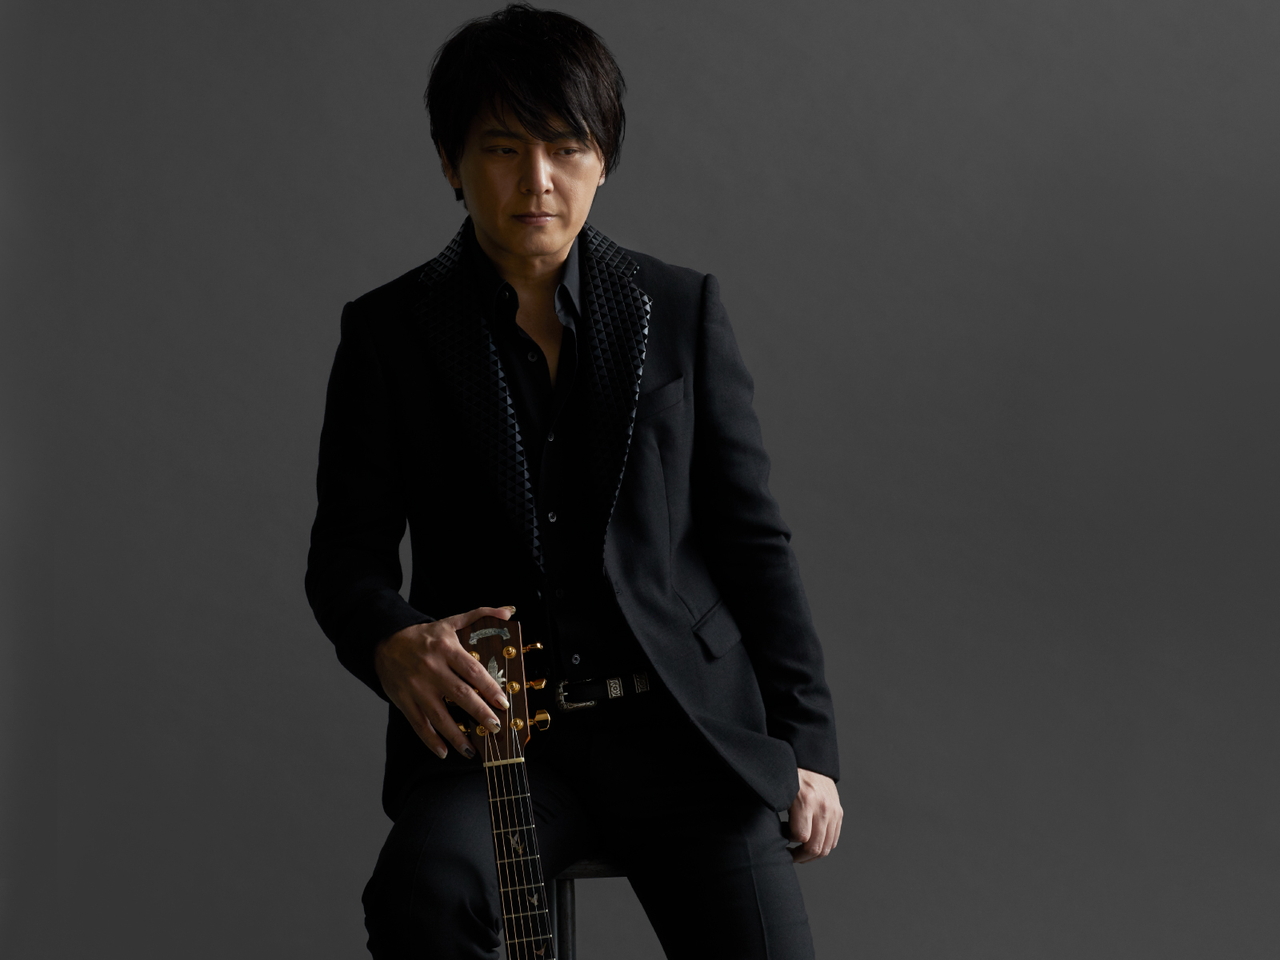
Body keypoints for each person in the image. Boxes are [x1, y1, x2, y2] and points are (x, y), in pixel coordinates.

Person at [305, 5, 842, 958]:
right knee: (422, 894)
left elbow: (752, 541)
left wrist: (807, 750)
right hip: (497, 745)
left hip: (684, 732)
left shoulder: (679, 309)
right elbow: (344, 557)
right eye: (503, 149)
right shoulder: (389, 334)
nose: (537, 180)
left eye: (566, 147)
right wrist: (390, 640)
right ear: (450, 162)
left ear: (603, 160)